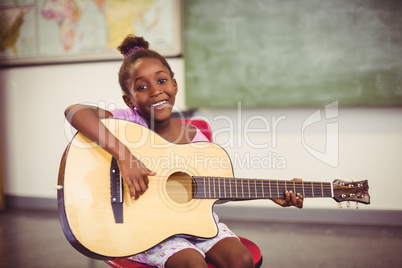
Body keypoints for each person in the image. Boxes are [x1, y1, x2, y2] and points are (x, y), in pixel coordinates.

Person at [65, 35, 304, 268]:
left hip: (196, 223)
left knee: (241, 260)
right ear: (129, 100)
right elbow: (74, 111)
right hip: (149, 231)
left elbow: (216, 187)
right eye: (142, 87)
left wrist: (273, 192)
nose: (155, 91)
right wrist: (125, 156)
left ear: (174, 84)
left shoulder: (195, 139)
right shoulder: (127, 123)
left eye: (161, 81)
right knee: (192, 263)